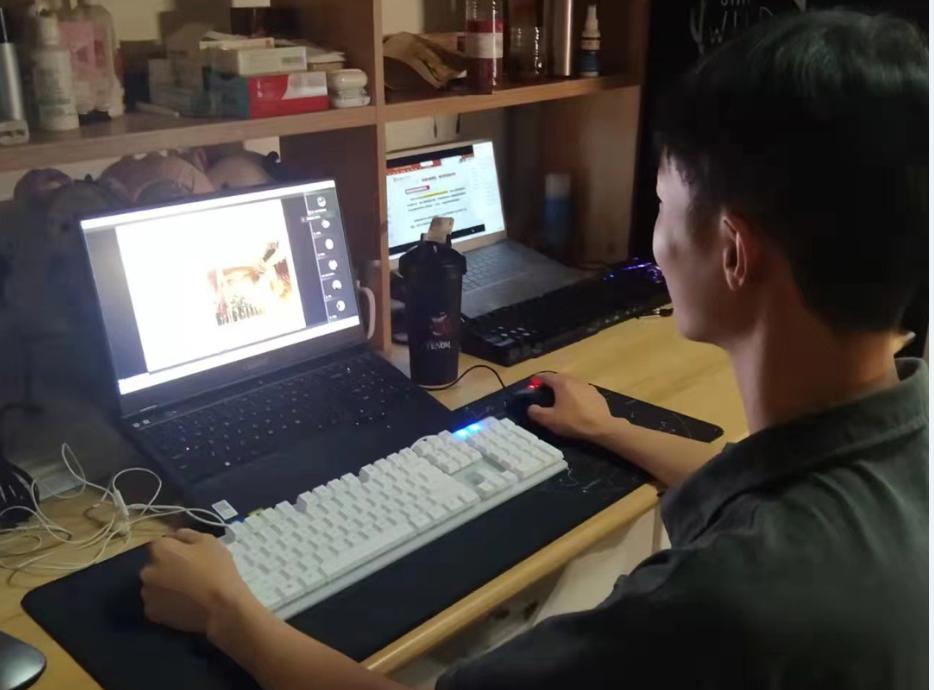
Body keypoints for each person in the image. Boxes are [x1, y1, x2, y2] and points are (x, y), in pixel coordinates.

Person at [139, 10, 928, 690]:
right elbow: (769, 487)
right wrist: (611, 429)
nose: (656, 238)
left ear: (733, 252)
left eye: (661, 204)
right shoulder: (903, 428)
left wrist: (226, 610)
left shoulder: (721, 603)